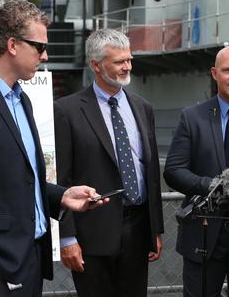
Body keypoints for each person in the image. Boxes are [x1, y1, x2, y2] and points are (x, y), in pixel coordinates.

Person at [0, 0, 106, 296]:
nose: (46, 55)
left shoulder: (21, 99)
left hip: (30, 259)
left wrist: (62, 195)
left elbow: (21, 177)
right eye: (39, 47)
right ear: (13, 45)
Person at [54, 29, 164, 297]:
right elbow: (61, 179)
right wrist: (67, 238)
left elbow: (149, 173)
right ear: (96, 65)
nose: (127, 67)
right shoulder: (67, 111)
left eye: (129, 59)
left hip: (138, 231)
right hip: (92, 235)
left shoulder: (142, 107)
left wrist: (155, 229)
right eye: (119, 62)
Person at [164, 45, 229, 297]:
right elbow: (173, 170)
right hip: (203, 232)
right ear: (214, 73)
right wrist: (214, 187)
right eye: (227, 70)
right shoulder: (192, 117)